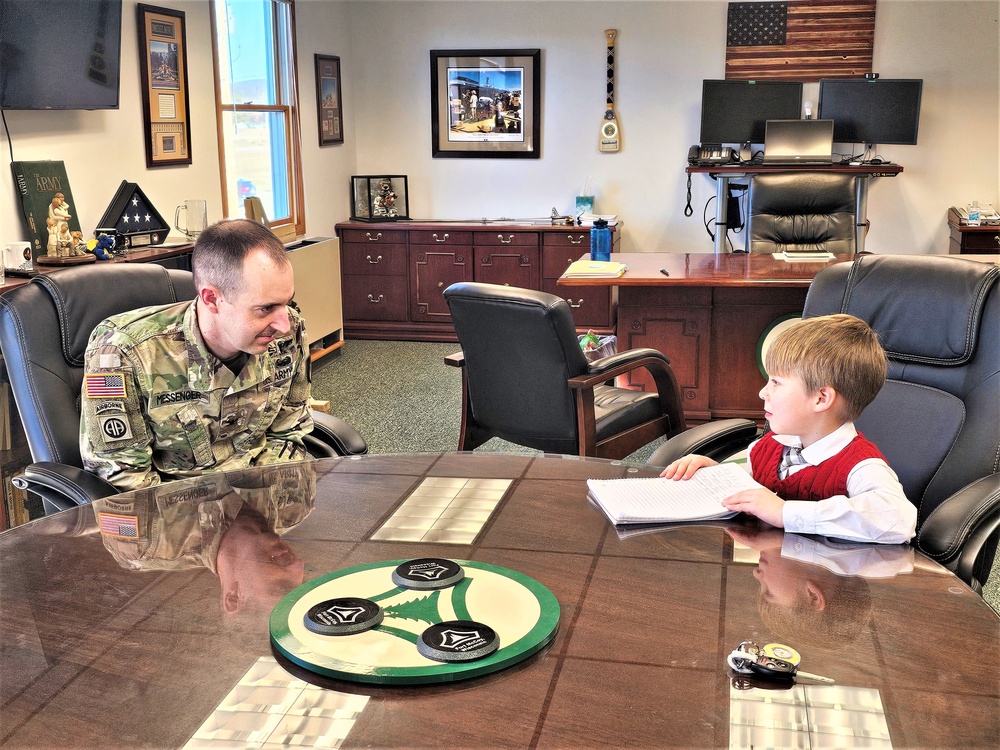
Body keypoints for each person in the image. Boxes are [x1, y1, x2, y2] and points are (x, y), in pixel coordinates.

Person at [80, 218, 314, 491]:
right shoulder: (122, 354)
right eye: (266, 308)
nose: (284, 323)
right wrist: (214, 526)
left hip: (261, 498)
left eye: (287, 303)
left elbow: (288, 433)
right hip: (178, 514)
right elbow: (125, 483)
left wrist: (268, 508)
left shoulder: (288, 332)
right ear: (212, 299)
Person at [661, 314, 916, 544]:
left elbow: (899, 520)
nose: (763, 392)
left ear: (821, 398)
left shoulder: (861, 466)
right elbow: (751, 484)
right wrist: (716, 475)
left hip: (824, 588)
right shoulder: (770, 445)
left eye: (776, 382)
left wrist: (785, 513)